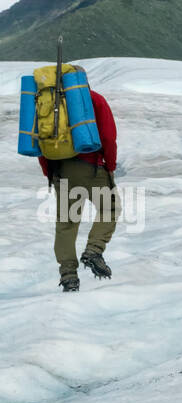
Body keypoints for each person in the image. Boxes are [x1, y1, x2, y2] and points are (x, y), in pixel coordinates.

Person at [39, 77, 120, 292]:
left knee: (66, 222)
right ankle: (93, 251)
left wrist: (49, 171)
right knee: (110, 208)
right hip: (92, 166)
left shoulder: (48, 103)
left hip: (61, 170)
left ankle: (68, 276)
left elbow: (40, 140)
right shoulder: (95, 99)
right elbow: (109, 137)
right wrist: (110, 166)